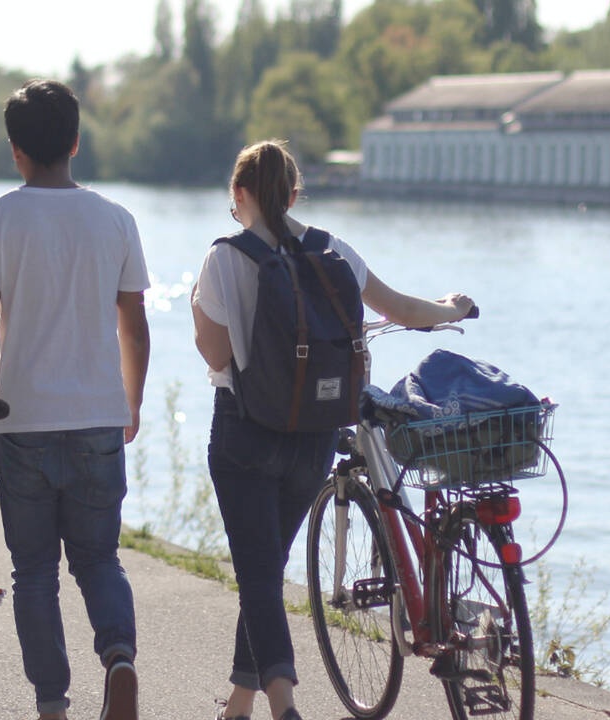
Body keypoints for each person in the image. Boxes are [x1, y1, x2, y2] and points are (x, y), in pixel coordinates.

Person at [190, 140, 473, 720]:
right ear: (294, 194)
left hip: (245, 435)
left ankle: (285, 706)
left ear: (238, 195)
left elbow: (216, 354)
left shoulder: (224, 258)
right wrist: (452, 310)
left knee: (259, 575)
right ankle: (239, 706)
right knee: (264, 572)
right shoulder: (332, 250)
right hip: (314, 437)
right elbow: (399, 309)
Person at [0, 79, 150, 720]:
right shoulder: (117, 220)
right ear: (76, 142)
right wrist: (130, 404)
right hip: (100, 417)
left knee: (34, 573)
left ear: (15, 150)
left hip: (22, 424)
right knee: (100, 558)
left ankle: (52, 705)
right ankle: (120, 658)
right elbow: (135, 327)